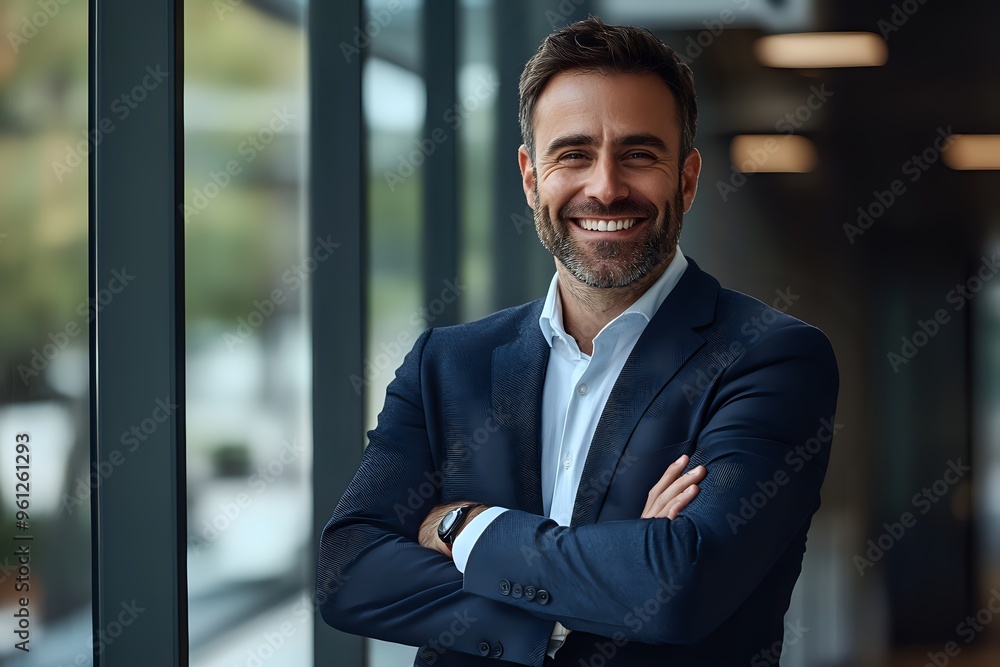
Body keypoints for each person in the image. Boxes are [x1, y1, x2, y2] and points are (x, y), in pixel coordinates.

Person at [318, 16, 839, 666]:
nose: (605, 186)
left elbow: (680, 587)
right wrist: (604, 578)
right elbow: (348, 573)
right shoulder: (447, 364)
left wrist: (464, 525)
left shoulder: (772, 359)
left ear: (687, 177)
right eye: (573, 154)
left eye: (640, 153)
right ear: (532, 177)